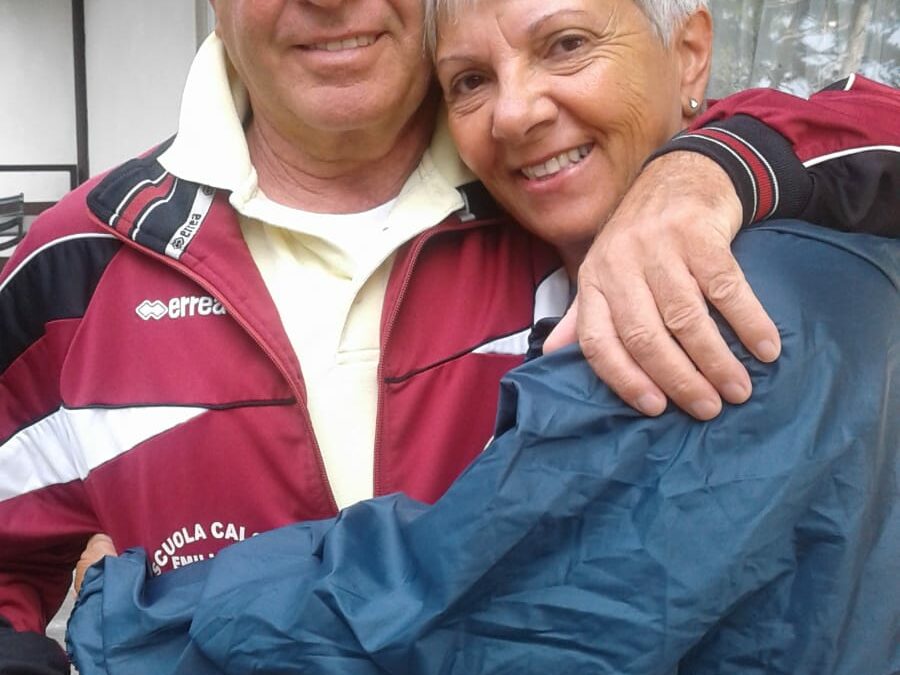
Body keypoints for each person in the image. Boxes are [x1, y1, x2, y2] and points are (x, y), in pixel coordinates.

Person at [1, 0, 897, 670]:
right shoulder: (73, 266)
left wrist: (716, 165)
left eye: (566, 45)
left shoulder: (587, 211)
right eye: (472, 79)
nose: (517, 112)